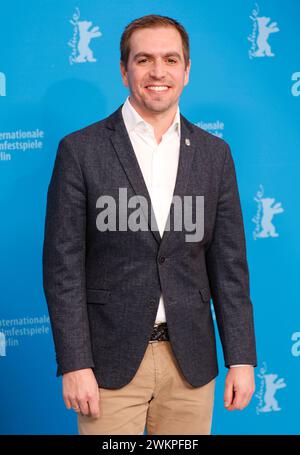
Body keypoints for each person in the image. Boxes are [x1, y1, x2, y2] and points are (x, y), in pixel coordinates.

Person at [43, 14, 257, 435]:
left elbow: (229, 268)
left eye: (170, 59)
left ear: (186, 70)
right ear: (124, 70)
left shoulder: (215, 155)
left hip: (191, 365)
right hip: (108, 366)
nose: (158, 72)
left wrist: (241, 358)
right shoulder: (81, 150)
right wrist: (75, 362)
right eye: (144, 59)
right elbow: (62, 269)